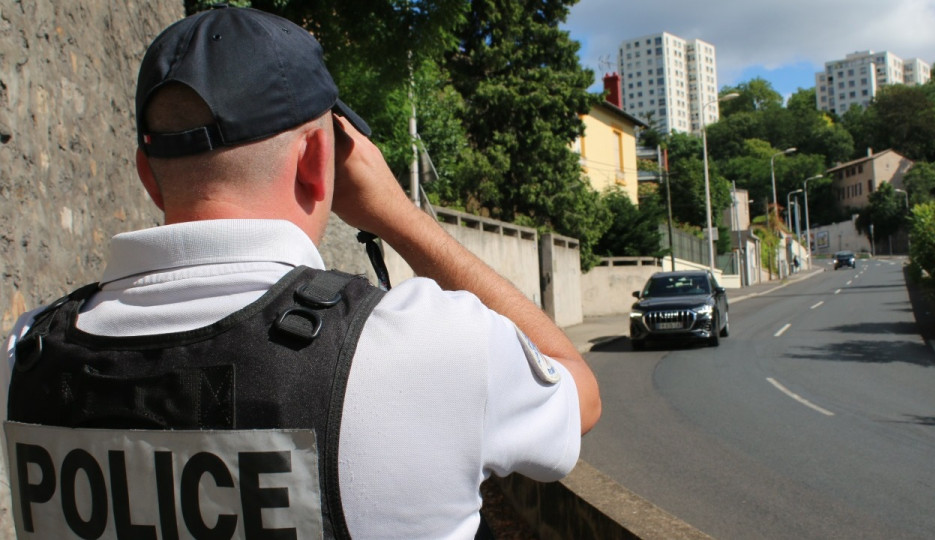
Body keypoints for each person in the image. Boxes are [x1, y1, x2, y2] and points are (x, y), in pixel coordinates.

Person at [1, 6, 600, 539]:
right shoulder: (431, 348)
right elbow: (581, 394)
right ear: (318, 160)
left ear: (147, 174)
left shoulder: (26, 354)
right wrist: (403, 219)